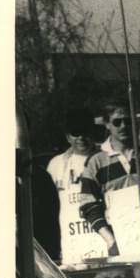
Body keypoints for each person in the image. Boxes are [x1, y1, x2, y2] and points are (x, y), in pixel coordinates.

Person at [78, 100, 140, 257]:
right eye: (117, 122)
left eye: (128, 121)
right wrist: (110, 240)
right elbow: (88, 205)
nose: (123, 126)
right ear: (107, 124)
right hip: (120, 244)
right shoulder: (96, 161)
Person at [46, 107, 98, 262]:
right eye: (76, 132)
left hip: (103, 240)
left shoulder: (106, 158)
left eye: (85, 131)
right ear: (68, 136)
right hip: (71, 245)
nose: (81, 137)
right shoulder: (56, 165)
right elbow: (49, 208)